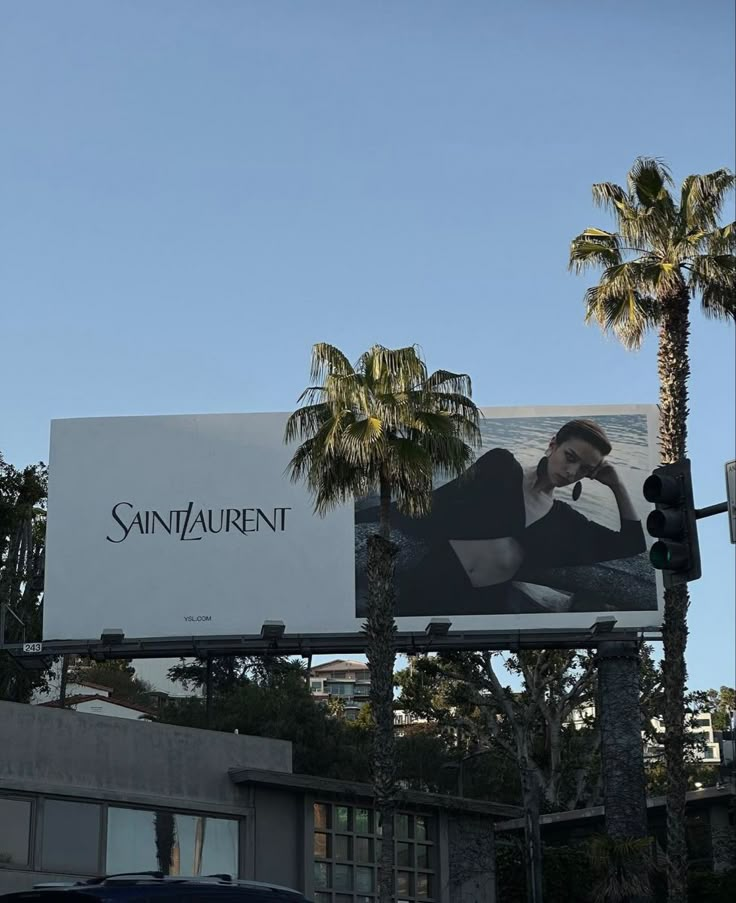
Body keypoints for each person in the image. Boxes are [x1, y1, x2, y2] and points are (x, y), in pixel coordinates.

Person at [355, 418, 647, 616]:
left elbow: (631, 543)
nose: (572, 472)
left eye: (584, 469)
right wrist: (366, 517)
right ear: (552, 444)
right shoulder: (501, 467)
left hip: (484, 606)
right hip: (435, 582)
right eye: (570, 457)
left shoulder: (565, 521)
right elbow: (439, 503)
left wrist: (616, 484)